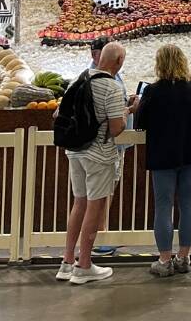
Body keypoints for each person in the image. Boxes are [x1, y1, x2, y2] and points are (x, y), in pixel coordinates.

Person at [133, 44, 191, 277]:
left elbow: (140, 122)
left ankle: (164, 260)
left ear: (159, 64)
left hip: (163, 156)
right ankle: (184, 256)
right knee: (188, 203)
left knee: (163, 206)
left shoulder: (153, 91)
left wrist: (138, 105)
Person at [57, 42, 133, 284]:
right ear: (119, 61)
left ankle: (67, 261)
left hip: (74, 151)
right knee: (95, 205)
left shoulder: (79, 79)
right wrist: (128, 111)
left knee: (78, 203)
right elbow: (116, 129)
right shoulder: (111, 87)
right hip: (98, 154)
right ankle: (85, 265)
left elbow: (59, 114)